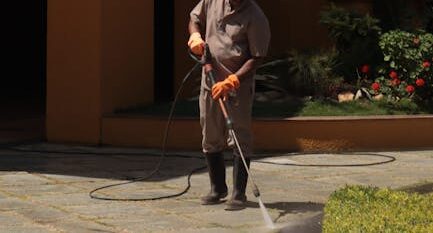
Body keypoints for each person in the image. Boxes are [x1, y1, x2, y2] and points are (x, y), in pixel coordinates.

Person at [188, 0, 271, 211]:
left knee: (239, 136)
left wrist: (233, 80)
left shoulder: (255, 16)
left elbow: (257, 56)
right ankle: (217, 188)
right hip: (210, 82)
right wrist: (195, 36)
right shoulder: (211, 1)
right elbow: (194, 19)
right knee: (210, 134)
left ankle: (238, 193)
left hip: (237, 87)